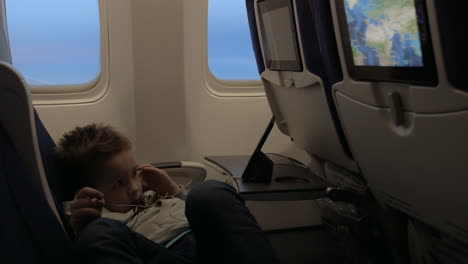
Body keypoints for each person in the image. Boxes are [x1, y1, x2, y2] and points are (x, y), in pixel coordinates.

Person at [55, 124, 279, 264]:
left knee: (209, 192)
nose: (134, 187)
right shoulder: (94, 214)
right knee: (99, 234)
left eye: (134, 174)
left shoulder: (157, 196)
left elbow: (197, 213)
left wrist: (173, 191)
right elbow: (90, 242)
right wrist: (82, 223)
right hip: (165, 253)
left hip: (210, 242)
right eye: (118, 184)